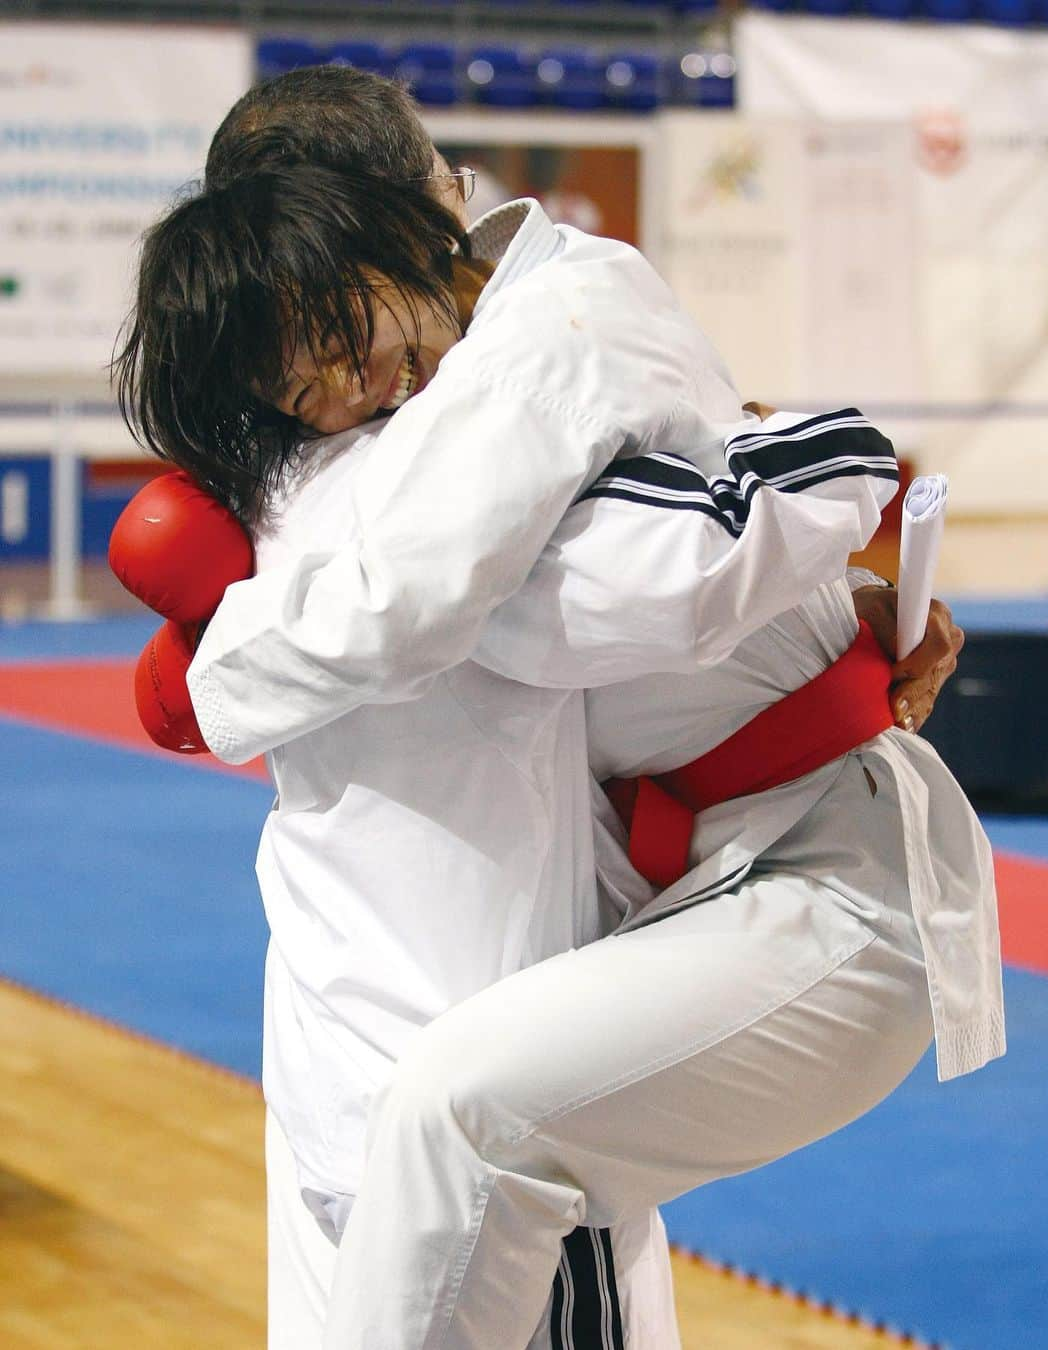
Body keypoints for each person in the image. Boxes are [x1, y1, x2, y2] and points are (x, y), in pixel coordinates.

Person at [112, 67, 966, 1347]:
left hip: (809, 880)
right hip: (640, 907)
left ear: (386, 222)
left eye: (342, 337)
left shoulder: (547, 337)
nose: (355, 388)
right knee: (455, 1147)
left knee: (470, 1129)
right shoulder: (391, 433)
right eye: (303, 381)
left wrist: (203, 676)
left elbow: (446, 592)